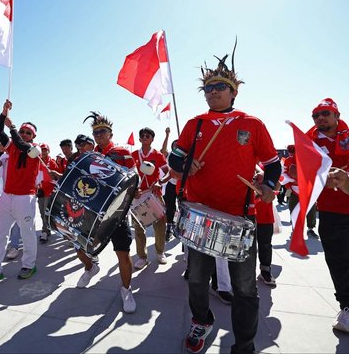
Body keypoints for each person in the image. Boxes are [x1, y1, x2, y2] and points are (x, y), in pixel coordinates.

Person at [168, 45, 281, 354]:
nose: (212, 92)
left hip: (240, 216)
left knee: (245, 287)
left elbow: (272, 163)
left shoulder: (252, 124)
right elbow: (174, 159)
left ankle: (244, 343)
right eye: (208, 88)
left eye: (219, 87)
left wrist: (270, 185)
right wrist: (184, 164)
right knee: (197, 280)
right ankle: (201, 320)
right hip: (200, 214)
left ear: (233, 93)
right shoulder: (196, 124)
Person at [75, 112, 137, 314]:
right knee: (79, 248)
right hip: (93, 212)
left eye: (102, 131)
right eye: (95, 132)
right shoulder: (89, 157)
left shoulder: (122, 152)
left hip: (117, 213)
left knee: (123, 254)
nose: (98, 135)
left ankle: (126, 290)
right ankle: (91, 268)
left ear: (110, 133)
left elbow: (133, 179)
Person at [0, 100, 39, 286]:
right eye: (22, 131)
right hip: (6, 197)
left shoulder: (33, 150)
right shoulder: (11, 146)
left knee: (28, 233)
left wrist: (12, 126)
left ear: (33, 136)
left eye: (27, 132)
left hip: (25, 198)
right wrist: (3, 113)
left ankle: (29, 265)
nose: (23, 134)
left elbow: (22, 145)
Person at [305, 98, 349, 333]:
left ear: (337, 115)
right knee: (339, 262)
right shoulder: (309, 143)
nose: (320, 118)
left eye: (325, 113)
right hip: (332, 213)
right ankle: (347, 307)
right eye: (315, 115)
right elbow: (298, 170)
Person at [131, 127, 168, 268]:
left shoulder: (158, 155)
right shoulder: (133, 155)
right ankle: (142, 257)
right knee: (139, 227)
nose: (145, 137)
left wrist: (160, 182)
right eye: (143, 136)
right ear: (140, 139)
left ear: (152, 139)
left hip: (154, 194)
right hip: (138, 195)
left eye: (148, 136)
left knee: (160, 225)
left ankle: (160, 252)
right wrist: (134, 189)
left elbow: (167, 172)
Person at [282, 144, 319, 238]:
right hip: (295, 190)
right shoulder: (288, 161)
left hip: (308, 191)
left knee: (311, 210)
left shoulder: (309, 160)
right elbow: (284, 173)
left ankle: (310, 228)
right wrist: (291, 180)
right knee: (293, 209)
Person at [37, 143, 58, 243]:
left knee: (46, 212)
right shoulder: (37, 161)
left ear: (48, 151)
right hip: (40, 192)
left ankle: (45, 231)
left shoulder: (52, 162)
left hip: (49, 192)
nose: (43, 152)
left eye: (45, 150)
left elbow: (56, 177)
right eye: (42, 150)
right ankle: (47, 229)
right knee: (41, 212)